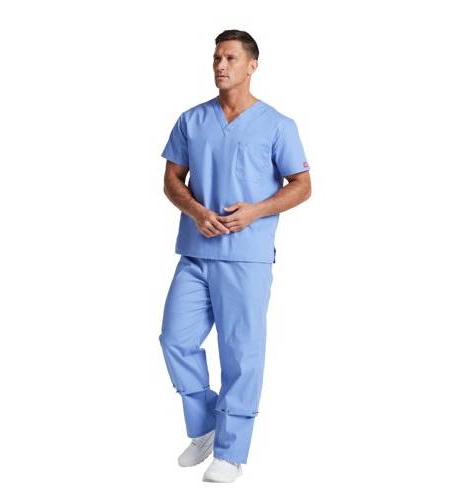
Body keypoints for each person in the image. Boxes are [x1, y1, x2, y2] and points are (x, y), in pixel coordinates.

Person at [158, 29, 312, 483]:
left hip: (246, 256)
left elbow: (302, 185)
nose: (220, 65)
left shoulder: (278, 125)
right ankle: (206, 424)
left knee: (241, 353)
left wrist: (257, 211)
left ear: (252, 65)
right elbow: (172, 180)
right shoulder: (191, 120)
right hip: (195, 251)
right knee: (175, 339)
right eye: (216, 58)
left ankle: (231, 451)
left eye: (230, 58)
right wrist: (196, 211)